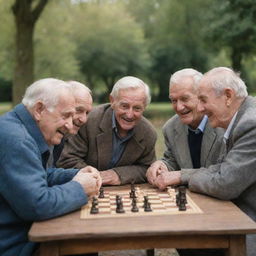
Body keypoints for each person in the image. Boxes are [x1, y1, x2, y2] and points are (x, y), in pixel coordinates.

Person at [154, 67, 256, 256]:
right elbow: (221, 169)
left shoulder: (250, 124)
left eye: (203, 100)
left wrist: (181, 175)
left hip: (248, 221)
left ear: (228, 96)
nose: (200, 108)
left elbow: (225, 182)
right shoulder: (239, 118)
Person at [0, 78, 102, 256]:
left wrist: (75, 174)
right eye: (65, 116)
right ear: (39, 110)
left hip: (21, 233)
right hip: (15, 244)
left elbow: (39, 175)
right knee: (85, 242)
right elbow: (37, 205)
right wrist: (79, 187)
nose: (71, 126)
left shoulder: (19, 128)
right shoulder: (19, 141)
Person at [146, 68, 225, 256]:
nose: (179, 107)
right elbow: (173, 158)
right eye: (173, 100)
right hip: (190, 211)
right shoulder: (171, 127)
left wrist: (181, 175)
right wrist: (162, 165)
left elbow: (224, 171)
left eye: (185, 99)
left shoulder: (223, 124)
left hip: (223, 208)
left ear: (201, 97)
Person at [57, 76, 157, 185]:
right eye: (124, 106)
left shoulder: (148, 133)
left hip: (125, 194)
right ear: (112, 101)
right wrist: (95, 177)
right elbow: (67, 159)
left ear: (144, 107)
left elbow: (147, 168)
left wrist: (117, 175)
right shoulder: (88, 120)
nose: (129, 114)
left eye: (137, 108)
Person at [50, 80, 93, 167]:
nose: (84, 120)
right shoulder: (28, 139)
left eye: (87, 113)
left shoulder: (61, 136)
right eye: (78, 110)